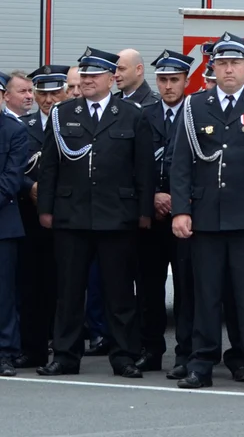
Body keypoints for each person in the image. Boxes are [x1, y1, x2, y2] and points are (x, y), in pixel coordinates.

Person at [171, 32, 244, 390]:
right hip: (205, 216)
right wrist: (181, 210)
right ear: (213, 68)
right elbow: (181, 163)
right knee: (206, 294)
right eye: (222, 64)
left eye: (235, 63)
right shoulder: (195, 106)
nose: (229, 70)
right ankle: (201, 363)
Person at [36, 48, 153, 379]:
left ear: (109, 78)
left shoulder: (131, 114)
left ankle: (124, 355)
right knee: (69, 291)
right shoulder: (63, 114)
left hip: (117, 216)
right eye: (83, 76)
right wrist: (46, 209)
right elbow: (49, 167)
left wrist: (144, 211)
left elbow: (143, 168)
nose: (86, 81)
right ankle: (65, 355)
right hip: (71, 215)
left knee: (119, 292)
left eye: (93, 76)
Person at [134, 50, 192, 374]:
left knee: (186, 289)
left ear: (185, 80)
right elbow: (137, 164)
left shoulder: (196, 113)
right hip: (151, 216)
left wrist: (177, 200)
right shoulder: (144, 114)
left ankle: (186, 352)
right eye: (163, 80)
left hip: (183, 216)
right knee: (149, 288)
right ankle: (151, 348)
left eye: (174, 80)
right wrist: (153, 197)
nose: (168, 86)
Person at [15, 65, 69, 369]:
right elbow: (13, 167)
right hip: (32, 218)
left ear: (64, 91)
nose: (47, 100)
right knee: (33, 285)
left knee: (66, 288)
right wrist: (30, 186)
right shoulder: (24, 126)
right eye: (41, 93)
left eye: (53, 92)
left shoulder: (74, 121)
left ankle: (62, 348)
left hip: (68, 215)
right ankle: (33, 348)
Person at [0, 74, 29, 377]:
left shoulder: (14, 131)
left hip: (3, 225)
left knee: (4, 294)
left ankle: (5, 352)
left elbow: (11, 178)